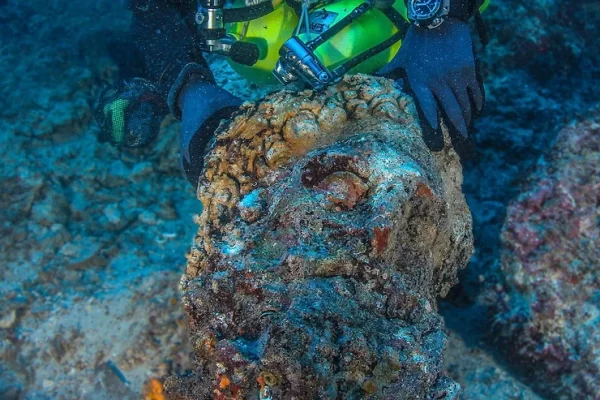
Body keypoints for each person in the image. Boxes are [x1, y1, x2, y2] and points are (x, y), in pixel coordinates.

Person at [96, 0, 489, 188]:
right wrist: (186, 85)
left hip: (407, 33)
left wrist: (443, 15)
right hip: (272, 51)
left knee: (448, 123)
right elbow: (153, 10)